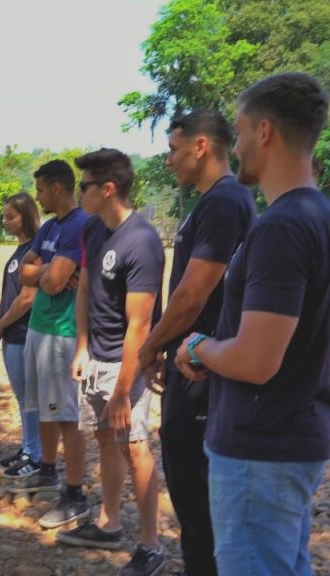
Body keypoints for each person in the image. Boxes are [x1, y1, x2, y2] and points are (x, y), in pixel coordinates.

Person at [174, 72, 330, 576]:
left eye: (239, 133)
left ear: (264, 132)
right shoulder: (319, 215)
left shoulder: (282, 226)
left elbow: (257, 360)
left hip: (260, 449)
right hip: (295, 436)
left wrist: (198, 348)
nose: (236, 146)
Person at [135, 110, 255, 576]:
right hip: (191, 363)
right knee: (190, 490)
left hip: (204, 373)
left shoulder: (224, 203)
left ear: (201, 146)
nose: (168, 159)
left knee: (200, 493)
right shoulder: (211, 202)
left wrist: (148, 347)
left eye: (173, 148)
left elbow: (191, 295)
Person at [55, 149, 166, 576]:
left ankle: (151, 545)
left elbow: (141, 324)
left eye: (84, 185)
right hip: (95, 358)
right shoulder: (94, 231)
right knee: (105, 438)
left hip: (127, 365)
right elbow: (84, 289)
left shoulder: (141, 241)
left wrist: (123, 389)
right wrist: (82, 345)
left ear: (107, 189)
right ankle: (109, 521)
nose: (79, 192)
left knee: (136, 447)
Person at [9, 160, 89, 533]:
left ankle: (75, 494)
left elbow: (56, 283)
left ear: (57, 188)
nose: (37, 196)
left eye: (40, 189)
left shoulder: (77, 224)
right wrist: (46, 271)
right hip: (40, 327)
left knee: (66, 415)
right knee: (42, 405)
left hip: (63, 330)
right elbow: (25, 271)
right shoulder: (50, 228)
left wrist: (44, 273)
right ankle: (46, 469)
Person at [0, 193, 42, 478]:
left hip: (24, 335)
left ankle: (35, 455)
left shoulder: (34, 250)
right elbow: (9, 295)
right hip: (12, 335)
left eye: (11, 217)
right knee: (23, 398)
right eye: (4, 217)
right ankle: (27, 448)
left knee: (30, 398)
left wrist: (0, 326)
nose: (5, 221)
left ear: (26, 216)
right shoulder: (18, 252)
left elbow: (26, 298)